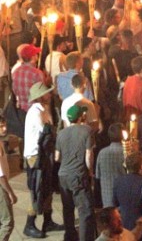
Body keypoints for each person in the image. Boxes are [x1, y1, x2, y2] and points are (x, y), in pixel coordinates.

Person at [23, 81, 61, 239]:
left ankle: (48, 220)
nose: (50, 94)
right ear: (40, 97)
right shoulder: (36, 112)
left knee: (47, 189)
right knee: (37, 190)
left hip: (44, 155)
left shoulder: (43, 110)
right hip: (36, 157)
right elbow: (45, 135)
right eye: (47, 93)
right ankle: (29, 225)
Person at [56, 103, 97, 241]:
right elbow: (88, 155)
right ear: (81, 117)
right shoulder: (87, 130)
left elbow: (57, 157)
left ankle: (69, 236)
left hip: (63, 176)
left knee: (68, 209)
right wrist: (90, 172)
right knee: (85, 211)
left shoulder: (61, 133)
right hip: (78, 175)